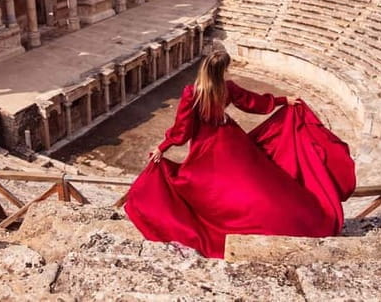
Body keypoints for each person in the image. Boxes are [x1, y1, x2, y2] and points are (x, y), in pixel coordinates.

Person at [124, 50, 356, 258]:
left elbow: (182, 130)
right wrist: (282, 100)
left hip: (207, 146)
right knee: (254, 183)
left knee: (200, 187)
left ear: (204, 67)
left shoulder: (192, 93)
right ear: (223, 70)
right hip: (233, 140)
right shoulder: (228, 88)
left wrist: (162, 148)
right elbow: (253, 103)